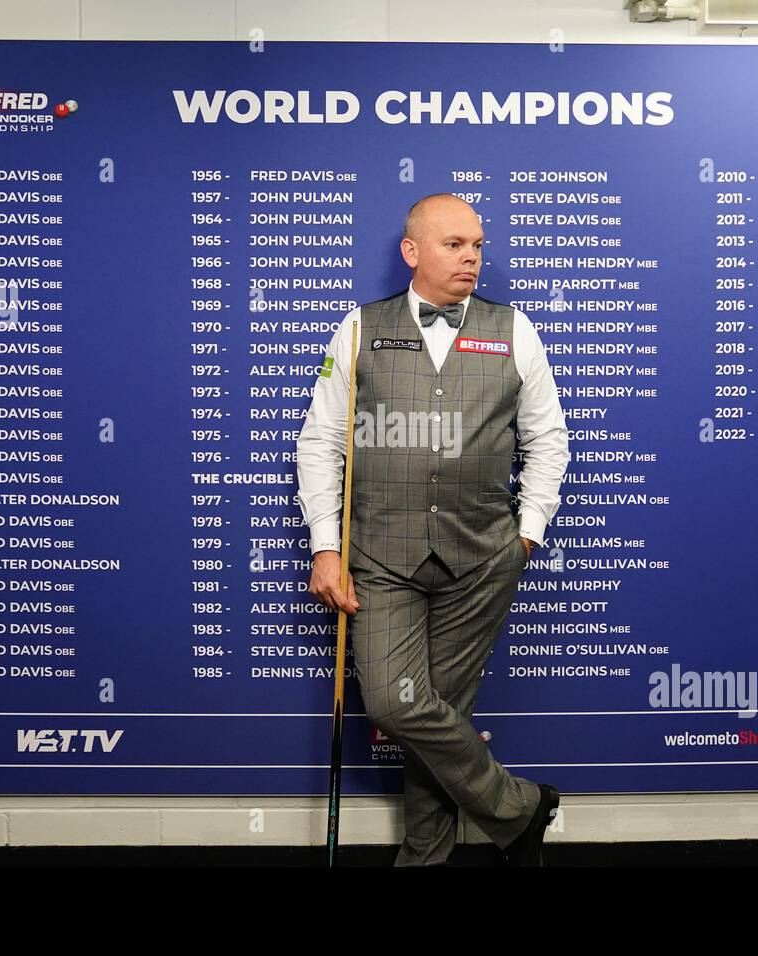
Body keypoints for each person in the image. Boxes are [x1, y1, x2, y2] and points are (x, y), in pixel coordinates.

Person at [296, 193, 570, 866]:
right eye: (454, 244)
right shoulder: (359, 329)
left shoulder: (516, 329)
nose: (472, 256)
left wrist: (525, 534)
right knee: (398, 704)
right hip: (380, 559)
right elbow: (321, 440)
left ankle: (423, 860)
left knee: (440, 710)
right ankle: (518, 807)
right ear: (412, 251)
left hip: (482, 559)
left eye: (477, 244)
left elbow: (548, 439)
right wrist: (326, 548)